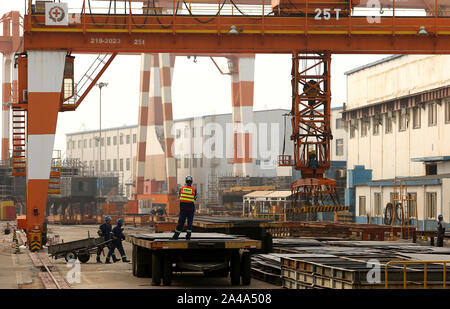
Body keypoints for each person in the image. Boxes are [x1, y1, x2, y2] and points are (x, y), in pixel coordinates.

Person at [172, 175, 198, 240]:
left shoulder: (181, 188)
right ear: (191, 182)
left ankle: (175, 236)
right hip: (191, 208)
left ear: (186, 181)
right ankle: (188, 236)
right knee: (190, 223)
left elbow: (179, 196)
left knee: (181, 222)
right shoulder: (194, 189)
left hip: (183, 208)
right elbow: (195, 198)